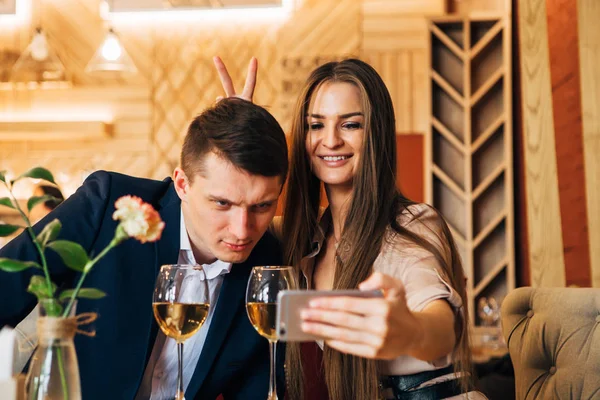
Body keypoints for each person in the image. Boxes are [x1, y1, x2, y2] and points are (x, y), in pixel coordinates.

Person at [214, 57, 483, 400]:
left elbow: (442, 327)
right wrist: (236, 137)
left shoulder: (412, 226)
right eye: (316, 125)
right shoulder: (298, 239)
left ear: (377, 132)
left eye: (350, 125)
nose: (330, 141)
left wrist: (410, 332)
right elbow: (227, 221)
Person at [0, 98, 288, 400]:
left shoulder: (268, 267)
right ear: (182, 184)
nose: (242, 230)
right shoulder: (109, 206)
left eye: (262, 206)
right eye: (222, 203)